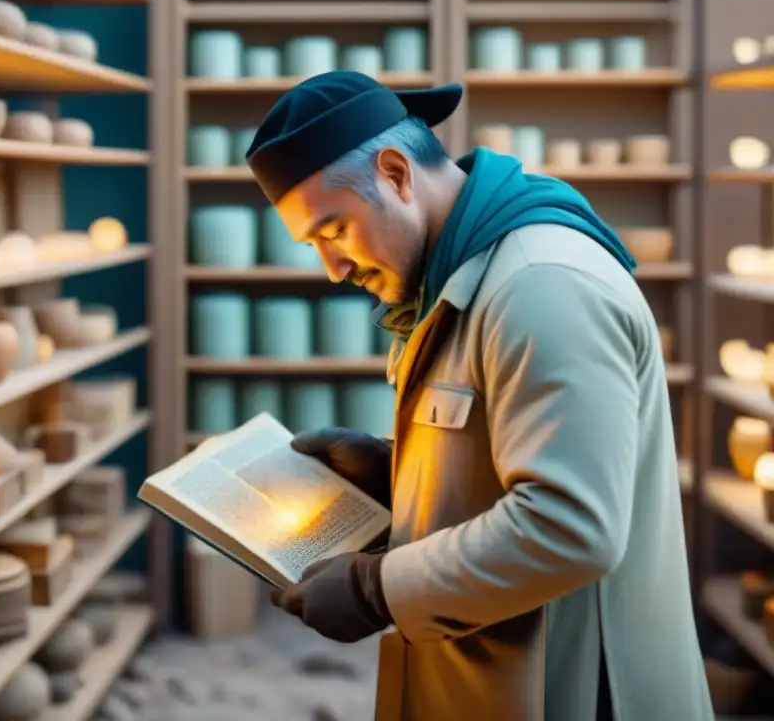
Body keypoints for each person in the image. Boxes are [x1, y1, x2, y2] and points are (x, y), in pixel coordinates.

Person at [243, 71, 712, 721]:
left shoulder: (541, 286)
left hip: (570, 692)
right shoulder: (461, 273)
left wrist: (375, 589)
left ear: (395, 173)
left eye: (333, 231)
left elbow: (569, 527)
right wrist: (396, 476)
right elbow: (514, 453)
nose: (334, 267)